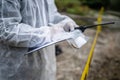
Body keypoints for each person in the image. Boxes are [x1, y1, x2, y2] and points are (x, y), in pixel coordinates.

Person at [0, 0, 78, 80]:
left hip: (46, 67)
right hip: (17, 69)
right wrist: (49, 32)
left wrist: (64, 22)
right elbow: (6, 30)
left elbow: (51, 15)